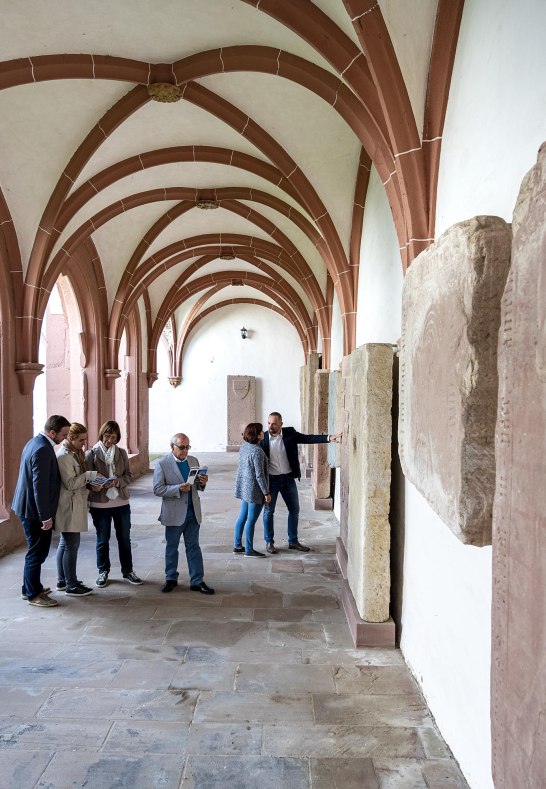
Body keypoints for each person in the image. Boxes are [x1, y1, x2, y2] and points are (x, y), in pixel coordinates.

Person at [260, 411, 340, 553]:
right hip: (271, 480)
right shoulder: (263, 438)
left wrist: (329, 438)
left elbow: (308, 438)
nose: (271, 426)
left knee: (294, 510)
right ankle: (269, 542)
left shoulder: (290, 433)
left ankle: (293, 541)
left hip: (288, 479)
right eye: (269, 423)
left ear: (281, 424)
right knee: (268, 511)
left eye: (274, 424)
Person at [12, 414, 70, 607]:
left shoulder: (34, 442)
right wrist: (45, 516)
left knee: (35, 551)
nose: (65, 438)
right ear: (52, 432)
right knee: (37, 553)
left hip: (26, 507)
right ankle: (33, 595)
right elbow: (40, 487)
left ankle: (28, 587)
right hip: (34, 511)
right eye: (63, 434)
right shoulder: (43, 450)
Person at [153, 433, 214, 594]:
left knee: (194, 547)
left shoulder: (193, 461)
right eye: (182, 447)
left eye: (187, 447)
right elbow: (157, 489)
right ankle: (171, 578)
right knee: (172, 547)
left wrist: (202, 483)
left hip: (193, 512)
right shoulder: (162, 464)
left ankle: (197, 580)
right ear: (172, 446)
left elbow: (198, 488)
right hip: (174, 513)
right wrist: (178, 488)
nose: (185, 450)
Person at [86, 420, 143, 587]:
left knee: (124, 538)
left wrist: (117, 482)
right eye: (107, 435)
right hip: (100, 504)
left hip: (121, 502)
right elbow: (87, 480)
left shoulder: (122, 453)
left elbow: (128, 475)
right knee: (102, 539)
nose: (109, 439)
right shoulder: (92, 454)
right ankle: (103, 571)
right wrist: (94, 486)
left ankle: (128, 571)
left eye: (113, 436)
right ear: (101, 434)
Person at [55, 422, 100, 597]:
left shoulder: (75, 453)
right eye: (81, 440)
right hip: (69, 506)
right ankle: (71, 585)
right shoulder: (64, 456)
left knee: (64, 543)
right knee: (71, 545)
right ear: (70, 438)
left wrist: (90, 485)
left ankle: (63, 580)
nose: (84, 443)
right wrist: (91, 475)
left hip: (74, 503)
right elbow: (71, 483)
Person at [233, 423, 272, 558]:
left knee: (242, 516)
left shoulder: (245, 447)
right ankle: (249, 550)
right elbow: (259, 475)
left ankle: (237, 545)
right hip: (255, 490)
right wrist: (266, 493)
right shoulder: (257, 451)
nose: (264, 432)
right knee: (251, 520)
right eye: (261, 431)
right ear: (257, 435)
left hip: (245, 488)